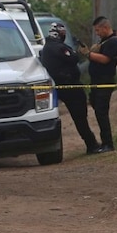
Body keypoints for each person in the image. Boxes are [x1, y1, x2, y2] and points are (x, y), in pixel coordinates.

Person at [40, 23, 101, 155]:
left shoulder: (48, 47)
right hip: (70, 86)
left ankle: (91, 143)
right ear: (60, 34)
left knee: (79, 117)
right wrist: (78, 52)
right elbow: (73, 58)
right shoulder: (58, 48)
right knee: (80, 117)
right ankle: (92, 145)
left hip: (62, 86)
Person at [78, 16, 117, 153]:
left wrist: (88, 54)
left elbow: (105, 60)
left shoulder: (114, 42)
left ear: (105, 27)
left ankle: (108, 143)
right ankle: (105, 143)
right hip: (96, 81)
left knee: (102, 112)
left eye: (98, 30)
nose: (97, 33)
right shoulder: (104, 41)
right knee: (97, 109)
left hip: (105, 81)